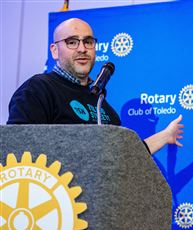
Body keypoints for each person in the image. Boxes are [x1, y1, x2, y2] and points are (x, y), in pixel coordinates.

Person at [7, 18, 183, 155]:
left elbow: (124, 159)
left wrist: (165, 135)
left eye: (88, 42)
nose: (82, 49)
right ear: (54, 50)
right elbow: (18, 150)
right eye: (72, 42)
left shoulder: (104, 108)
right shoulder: (38, 90)